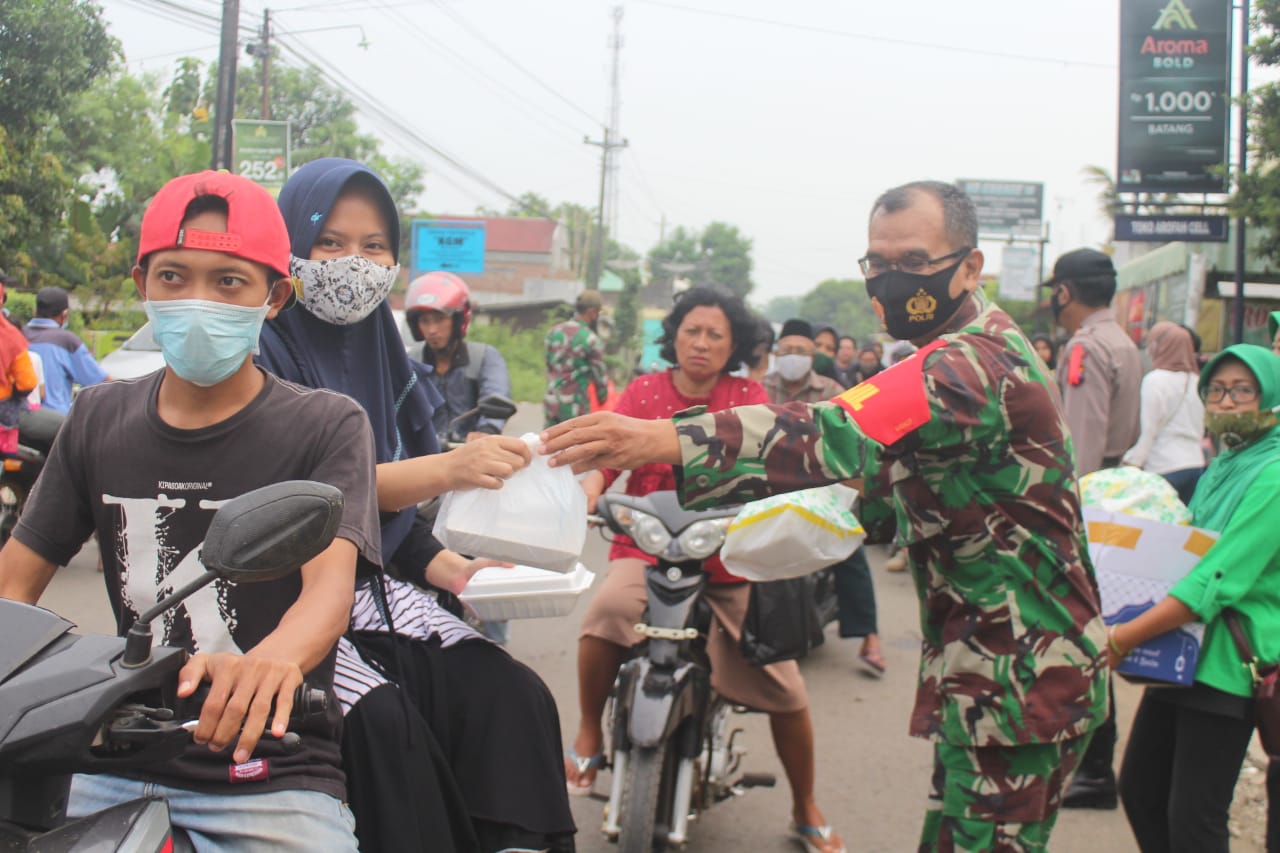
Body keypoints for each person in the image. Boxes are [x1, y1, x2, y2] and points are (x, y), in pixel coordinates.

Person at [543, 180, 1107, 852]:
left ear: (970, 266)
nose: (894, 280)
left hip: (1021, 676)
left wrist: (655, 438)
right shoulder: (946, 354)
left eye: (915, 261)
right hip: (988, 666)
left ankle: (805, 806)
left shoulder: (972, 363)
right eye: (878, 262)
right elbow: (866, 478)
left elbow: (832, 429)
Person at [0, 170, 379, 849]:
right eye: (174, 277)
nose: (197, 299)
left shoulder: (326, 424)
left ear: (274, 295)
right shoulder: (97, 416)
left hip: (268, 766)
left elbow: (327, 595)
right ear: (143, 283)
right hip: (100, 757)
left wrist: (272, 661)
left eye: (228, 281)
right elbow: (12, 584)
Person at [257, 157, 575, 853]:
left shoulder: (383, 355)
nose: (354, 262)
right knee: (389, 730)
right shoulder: (260, 352)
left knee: (513, 697)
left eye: (374, 246)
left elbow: (392, 528)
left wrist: (456, 571)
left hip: (374, 592)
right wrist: (446, 468)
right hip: (277, 600)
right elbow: (303, 499)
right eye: (330, 242)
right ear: (287, 248)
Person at [566, 286, 846, 853]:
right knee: (605, 616)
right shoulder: (643, 390)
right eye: (692, 330)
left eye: (715, 334)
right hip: (646, 551)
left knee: (787, 687)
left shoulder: (749, 395)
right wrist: (588, 494)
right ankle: (590, 729)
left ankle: (805, 804)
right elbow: (603, 460)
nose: (701, 343)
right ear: (674, 336)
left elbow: (777, 469)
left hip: (727, 557)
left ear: (733, 344)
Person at [1110, 344, 1280, 853]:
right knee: (1140, 792)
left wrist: (1121, 637)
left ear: (1269, 396)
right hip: (1180, 652)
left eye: (1243, 390)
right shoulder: (1225, 462)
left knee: (1194, 818)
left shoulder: (1272, 472)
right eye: (1217, 390)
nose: (1227, 403)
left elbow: (1215, 577)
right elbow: (1182, 549)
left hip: (1228, 661)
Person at [1045, 247, 1142, 810]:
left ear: (1064, 291)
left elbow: (1079, 451)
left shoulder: (1085, 346)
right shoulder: (1124, 341)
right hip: (1116, 491)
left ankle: (1095, 767)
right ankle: (1095, 764)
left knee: (1082, 637)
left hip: (1089, 502)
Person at [767, 318, 884, 677]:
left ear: (813, 355)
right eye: (787, 351)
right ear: (776, 353)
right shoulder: (759, 389)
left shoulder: (832, 389)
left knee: (849, 546)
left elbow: (852, 439)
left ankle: (870, 637)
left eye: (801, 352)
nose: (793, 357)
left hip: (820, 489)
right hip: (766, 488)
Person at [404, 271, 512, 441]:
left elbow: (497, 394)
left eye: (439, 319)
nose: (432, 329)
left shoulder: (484, 357)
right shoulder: (410, 363)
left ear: (457, 320)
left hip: (471, 452)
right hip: (423, 458)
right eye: (425, 321)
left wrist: (487, 430)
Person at [1121, 321, 1206, 505]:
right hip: (1195, 465)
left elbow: (1149, 431)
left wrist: (1132, 464)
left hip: (1164, 467)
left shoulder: (1155, 380)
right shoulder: (1198, 382)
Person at [22, 285, 110, 414]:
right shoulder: (67, 341)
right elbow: (101, 382)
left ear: (35, 311)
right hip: (55, 423)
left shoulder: (17, 335)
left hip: (19, 421)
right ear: (65, 314)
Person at [544, 289, 608, 427]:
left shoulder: (553, 332)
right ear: (592, 312)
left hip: (551, 401)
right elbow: (599, 374)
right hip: (574, 406)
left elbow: (549, 364)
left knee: (548, 443)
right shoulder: (590, 339)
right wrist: (602, 396)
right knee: (573, 445)